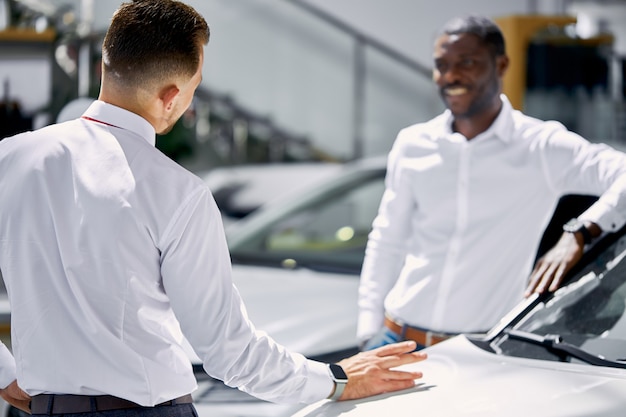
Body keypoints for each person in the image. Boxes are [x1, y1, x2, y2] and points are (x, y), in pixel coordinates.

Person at [0, 1, 427, 415]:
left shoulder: (9, 158)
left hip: (44, 409)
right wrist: (336, 380)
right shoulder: (176, 192)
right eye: (194, 87)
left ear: (103, 67)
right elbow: (229, 352)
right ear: (171, 96)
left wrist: (4, 372)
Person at [358, 14, 626, 351]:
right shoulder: (413, 143)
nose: (451, 76)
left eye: (466, 62)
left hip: (477, 352)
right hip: (394, 338)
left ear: (501, 65)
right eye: (442, 65)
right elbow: (387, 239)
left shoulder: (541, 146)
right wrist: (368, 330)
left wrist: (581, 231)